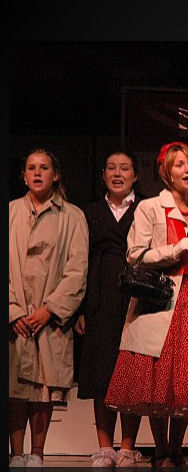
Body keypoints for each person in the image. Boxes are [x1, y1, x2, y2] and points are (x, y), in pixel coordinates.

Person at [104, 141, 188, 468]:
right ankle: (161, 448)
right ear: (167, 173)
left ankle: (176, 449)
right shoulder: (150, 208)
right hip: (161, 298)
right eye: (179, 165)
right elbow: (135, 254)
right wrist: (174, 249)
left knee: (187, 379)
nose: (187, 170)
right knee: (157, 379)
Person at [9, 149, 89, 467]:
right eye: (31, 168)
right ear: (24, 176)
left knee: (44, 386)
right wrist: (13, 310)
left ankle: (37, 453)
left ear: (55, 175)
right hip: (17, 316)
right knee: (15, 386)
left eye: (44, 168)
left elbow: (77, 271)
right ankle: (16, 453)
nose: (37, 173)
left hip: (50, 318)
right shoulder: (11, 212)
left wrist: (51, 309)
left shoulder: (73, 217)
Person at [73, 150, 143, 467]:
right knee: (102, 372)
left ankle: (128, 446)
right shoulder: (89, 212)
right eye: (111, 168)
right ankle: (105, 446)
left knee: (131, 373)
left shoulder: (145, 207)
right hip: (99, 296)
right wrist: (81, 309)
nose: (117, 174)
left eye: (124, 168)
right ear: (103, 175)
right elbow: (80, 261)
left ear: (135, 175)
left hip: (136, 298)